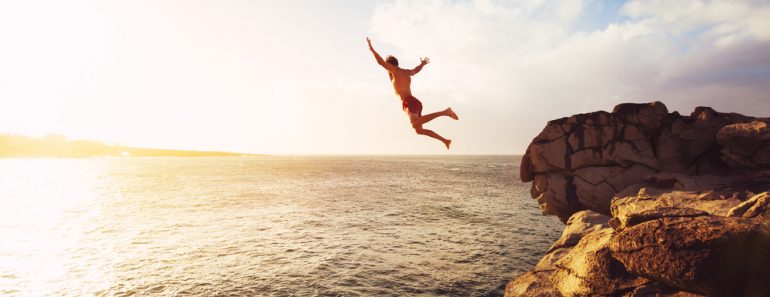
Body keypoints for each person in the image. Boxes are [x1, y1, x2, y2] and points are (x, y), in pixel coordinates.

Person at [366, 37, 458, 149]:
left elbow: (380, 62)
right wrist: (422, 64)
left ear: (390, 65)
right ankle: (445, 141)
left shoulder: (394, 70)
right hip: (414, 101)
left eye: (387, 66)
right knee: (419, 130)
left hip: (408, 102)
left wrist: (371, 49)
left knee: (415, 124)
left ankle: (445, 112)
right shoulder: (406, 72)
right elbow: (415, 70)